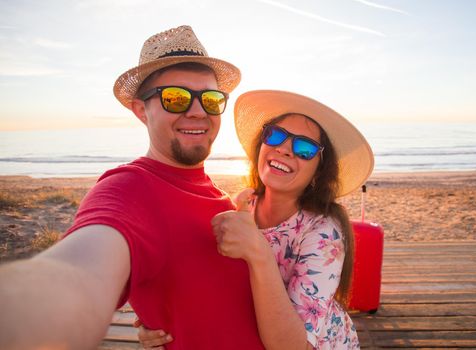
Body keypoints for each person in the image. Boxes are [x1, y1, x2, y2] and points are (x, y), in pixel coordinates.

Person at [0, 26, 267, 350]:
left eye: (211, 99)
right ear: (141, 110)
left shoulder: (214, 192)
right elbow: (75, 275)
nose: (198, 111)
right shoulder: (128, 190)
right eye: (175, 97)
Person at [137, 90, 374, 350]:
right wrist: (158, 318)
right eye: (275, 135)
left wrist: (258, 251)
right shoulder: (242, 205)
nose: (284, 149)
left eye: (304, 148)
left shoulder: (324, 233)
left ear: (318, 172)